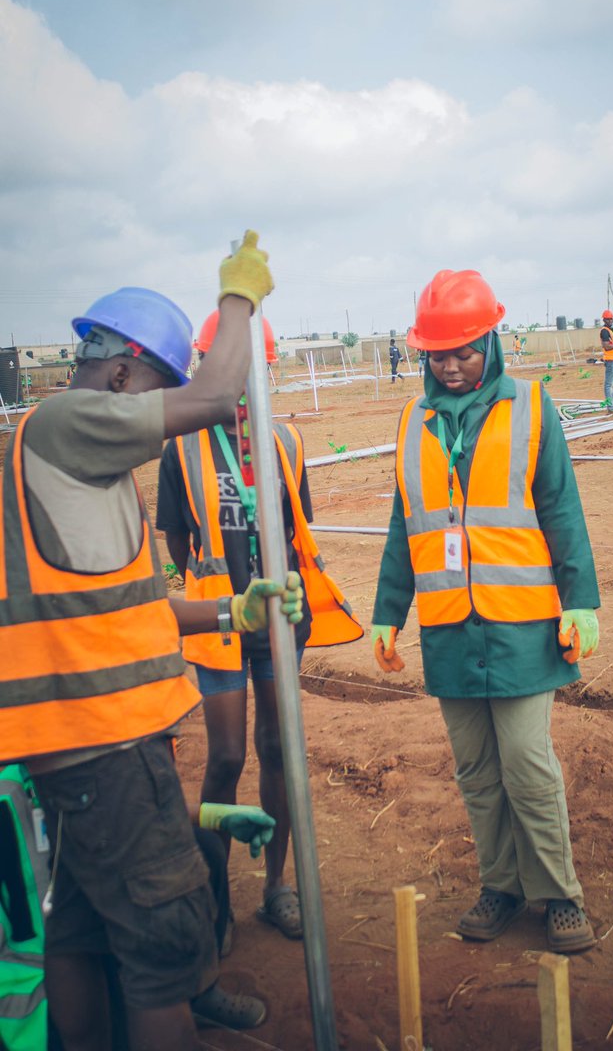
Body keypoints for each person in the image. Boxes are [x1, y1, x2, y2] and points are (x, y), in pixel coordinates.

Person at [0, 232, 304, 1051]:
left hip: (83, 751)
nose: (157, 418)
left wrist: (230, 613)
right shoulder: (63, 423)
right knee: (164, 949)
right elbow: (214, 397)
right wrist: (237, 297)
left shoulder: (80, 474)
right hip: (105, 746)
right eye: (154, 392)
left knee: (88, 931)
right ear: (125, 375)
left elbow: (126, 609)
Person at [371, 269, 600, 953]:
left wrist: (581, 599)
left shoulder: (531, 406)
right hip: (449, 633)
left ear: (490, 341)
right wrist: (389, 612)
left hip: (523, 627)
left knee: (528, 764)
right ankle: (500, 886)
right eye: (438, 354)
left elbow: (561, 508)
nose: (451, 364)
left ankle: (558, 894)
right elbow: (401, 525)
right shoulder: (414, 419)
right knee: (476, 771)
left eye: (464, 350)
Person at [157, 311, 362, 945]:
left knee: (278, 750)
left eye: (250, 368)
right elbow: (177, 540)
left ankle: (278, 888)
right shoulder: (180, 448)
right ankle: (215, 903)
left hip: (279, 622)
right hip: (218, 626)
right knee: (224, 757)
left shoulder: (285, 443)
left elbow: (295, 529)